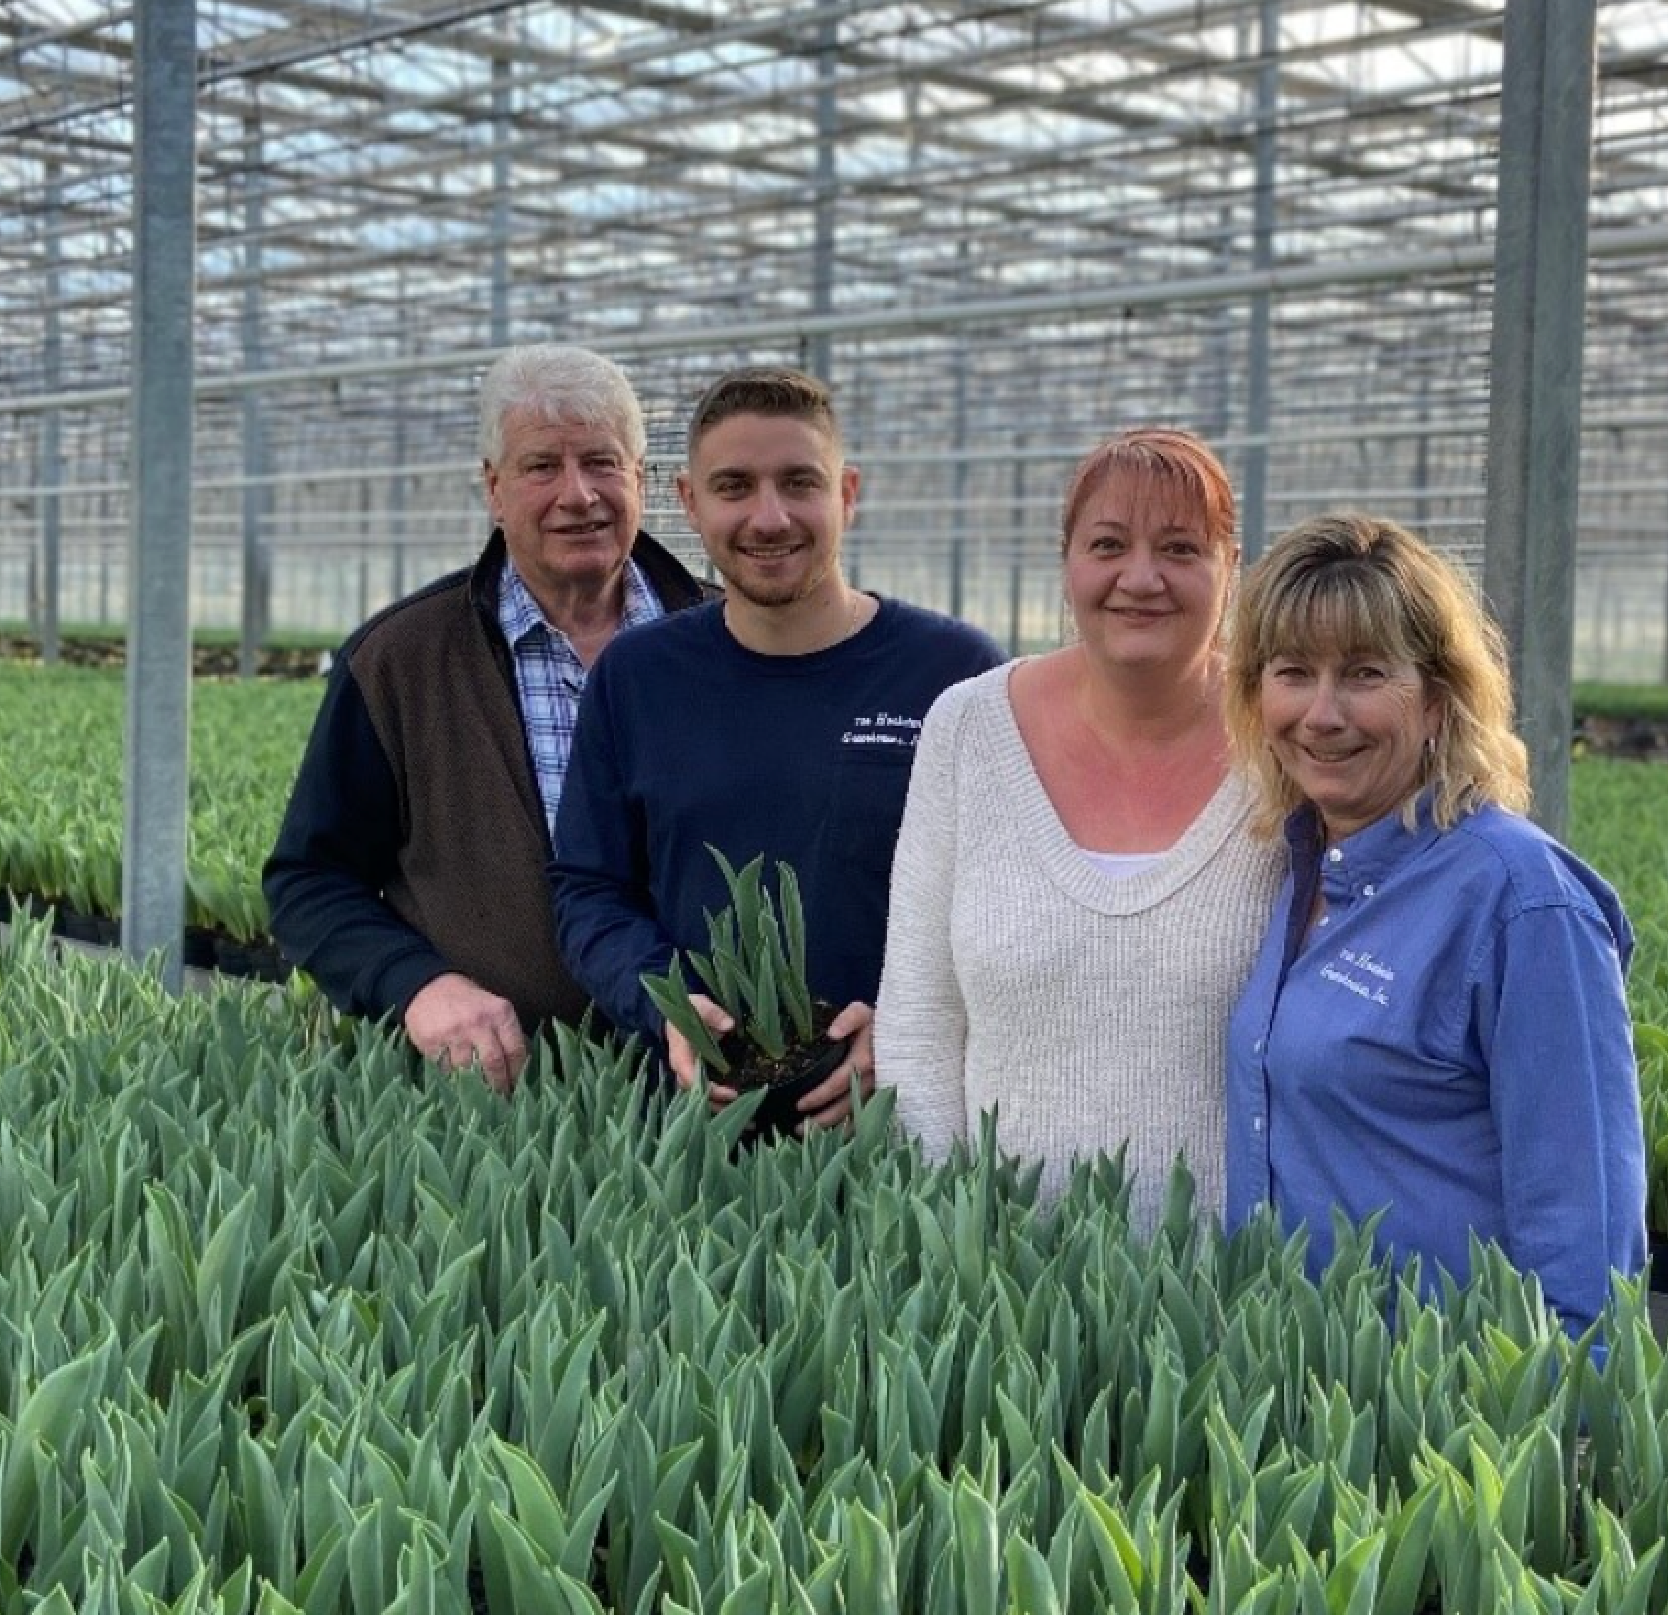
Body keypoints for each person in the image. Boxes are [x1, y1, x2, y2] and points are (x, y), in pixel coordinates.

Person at [1222, 513, 1646, 1333]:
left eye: (1365, 673)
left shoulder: (1520, 900)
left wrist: (1565, 1429)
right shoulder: (1300, 861)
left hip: (1443, 1410)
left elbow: (1585, 1225)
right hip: (1287, 1390)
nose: (1321, 713)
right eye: (1293, 671)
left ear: (1439, 697)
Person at [550, 366, 1004, 1124]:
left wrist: (909, 1027)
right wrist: (665, 1002)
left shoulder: (956, 672)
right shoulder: (636, 678)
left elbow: (1007, 898)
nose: (769, 517)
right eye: (734, 487)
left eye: (800, 482)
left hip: (902, 1125)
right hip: (694, 1127)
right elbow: (588, 890)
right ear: (690, 503)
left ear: (847, 494)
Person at [264, 343, 709, 1092]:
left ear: (641, 480)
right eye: (542, 467)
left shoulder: (724, 641)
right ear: (494, 489)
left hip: (712, 1096)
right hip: (494, 1100)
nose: (578, 495)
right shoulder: (399, 660)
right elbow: (310, 880)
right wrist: (415, 984)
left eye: (602, 463)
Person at [875, 429, 1282, 1229]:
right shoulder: (967, 727)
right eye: (1107, 545)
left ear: (1230, 568)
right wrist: (945, 1238)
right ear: (1067, 563)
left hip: (1241, 1293)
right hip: (1008, 1285)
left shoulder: (1289, 737)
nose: (1141, 578)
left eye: (1180, 548)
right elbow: (920, 1023)